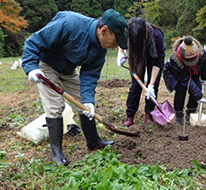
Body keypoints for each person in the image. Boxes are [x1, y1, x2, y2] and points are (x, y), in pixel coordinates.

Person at [22, 9, 128, 166]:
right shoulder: (69, 24)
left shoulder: (100, 50)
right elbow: (34, 42)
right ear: (104, 30)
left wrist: (88, 101)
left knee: (84, 104)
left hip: (68, 69)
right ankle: (56, 153)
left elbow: (90, 76)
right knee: (55, 106)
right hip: (46, 66)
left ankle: (93, 141)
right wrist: (31, 67)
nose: (114, 46)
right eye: (115, 41)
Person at [117, 17, 165, 127]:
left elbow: (157, 62)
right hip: (138, 56)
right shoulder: (128, 32)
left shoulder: (157, 36)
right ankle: (130, 115)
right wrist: (121, 52)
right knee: (135, 86)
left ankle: (149, 114)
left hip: (154, 57)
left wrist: (151, 85)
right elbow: (121, 40)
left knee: (153, 88)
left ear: (145, 33)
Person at [163, 36, 206, 125]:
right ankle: (179, 114)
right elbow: (185, 80)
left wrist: (205, 78)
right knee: (181, 89)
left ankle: (190, 112)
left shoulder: (203, 54)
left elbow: (205, 66)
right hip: (174, 73)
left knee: (197, 87)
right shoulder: (175, 60)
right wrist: (199, 96)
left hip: (193, 72)